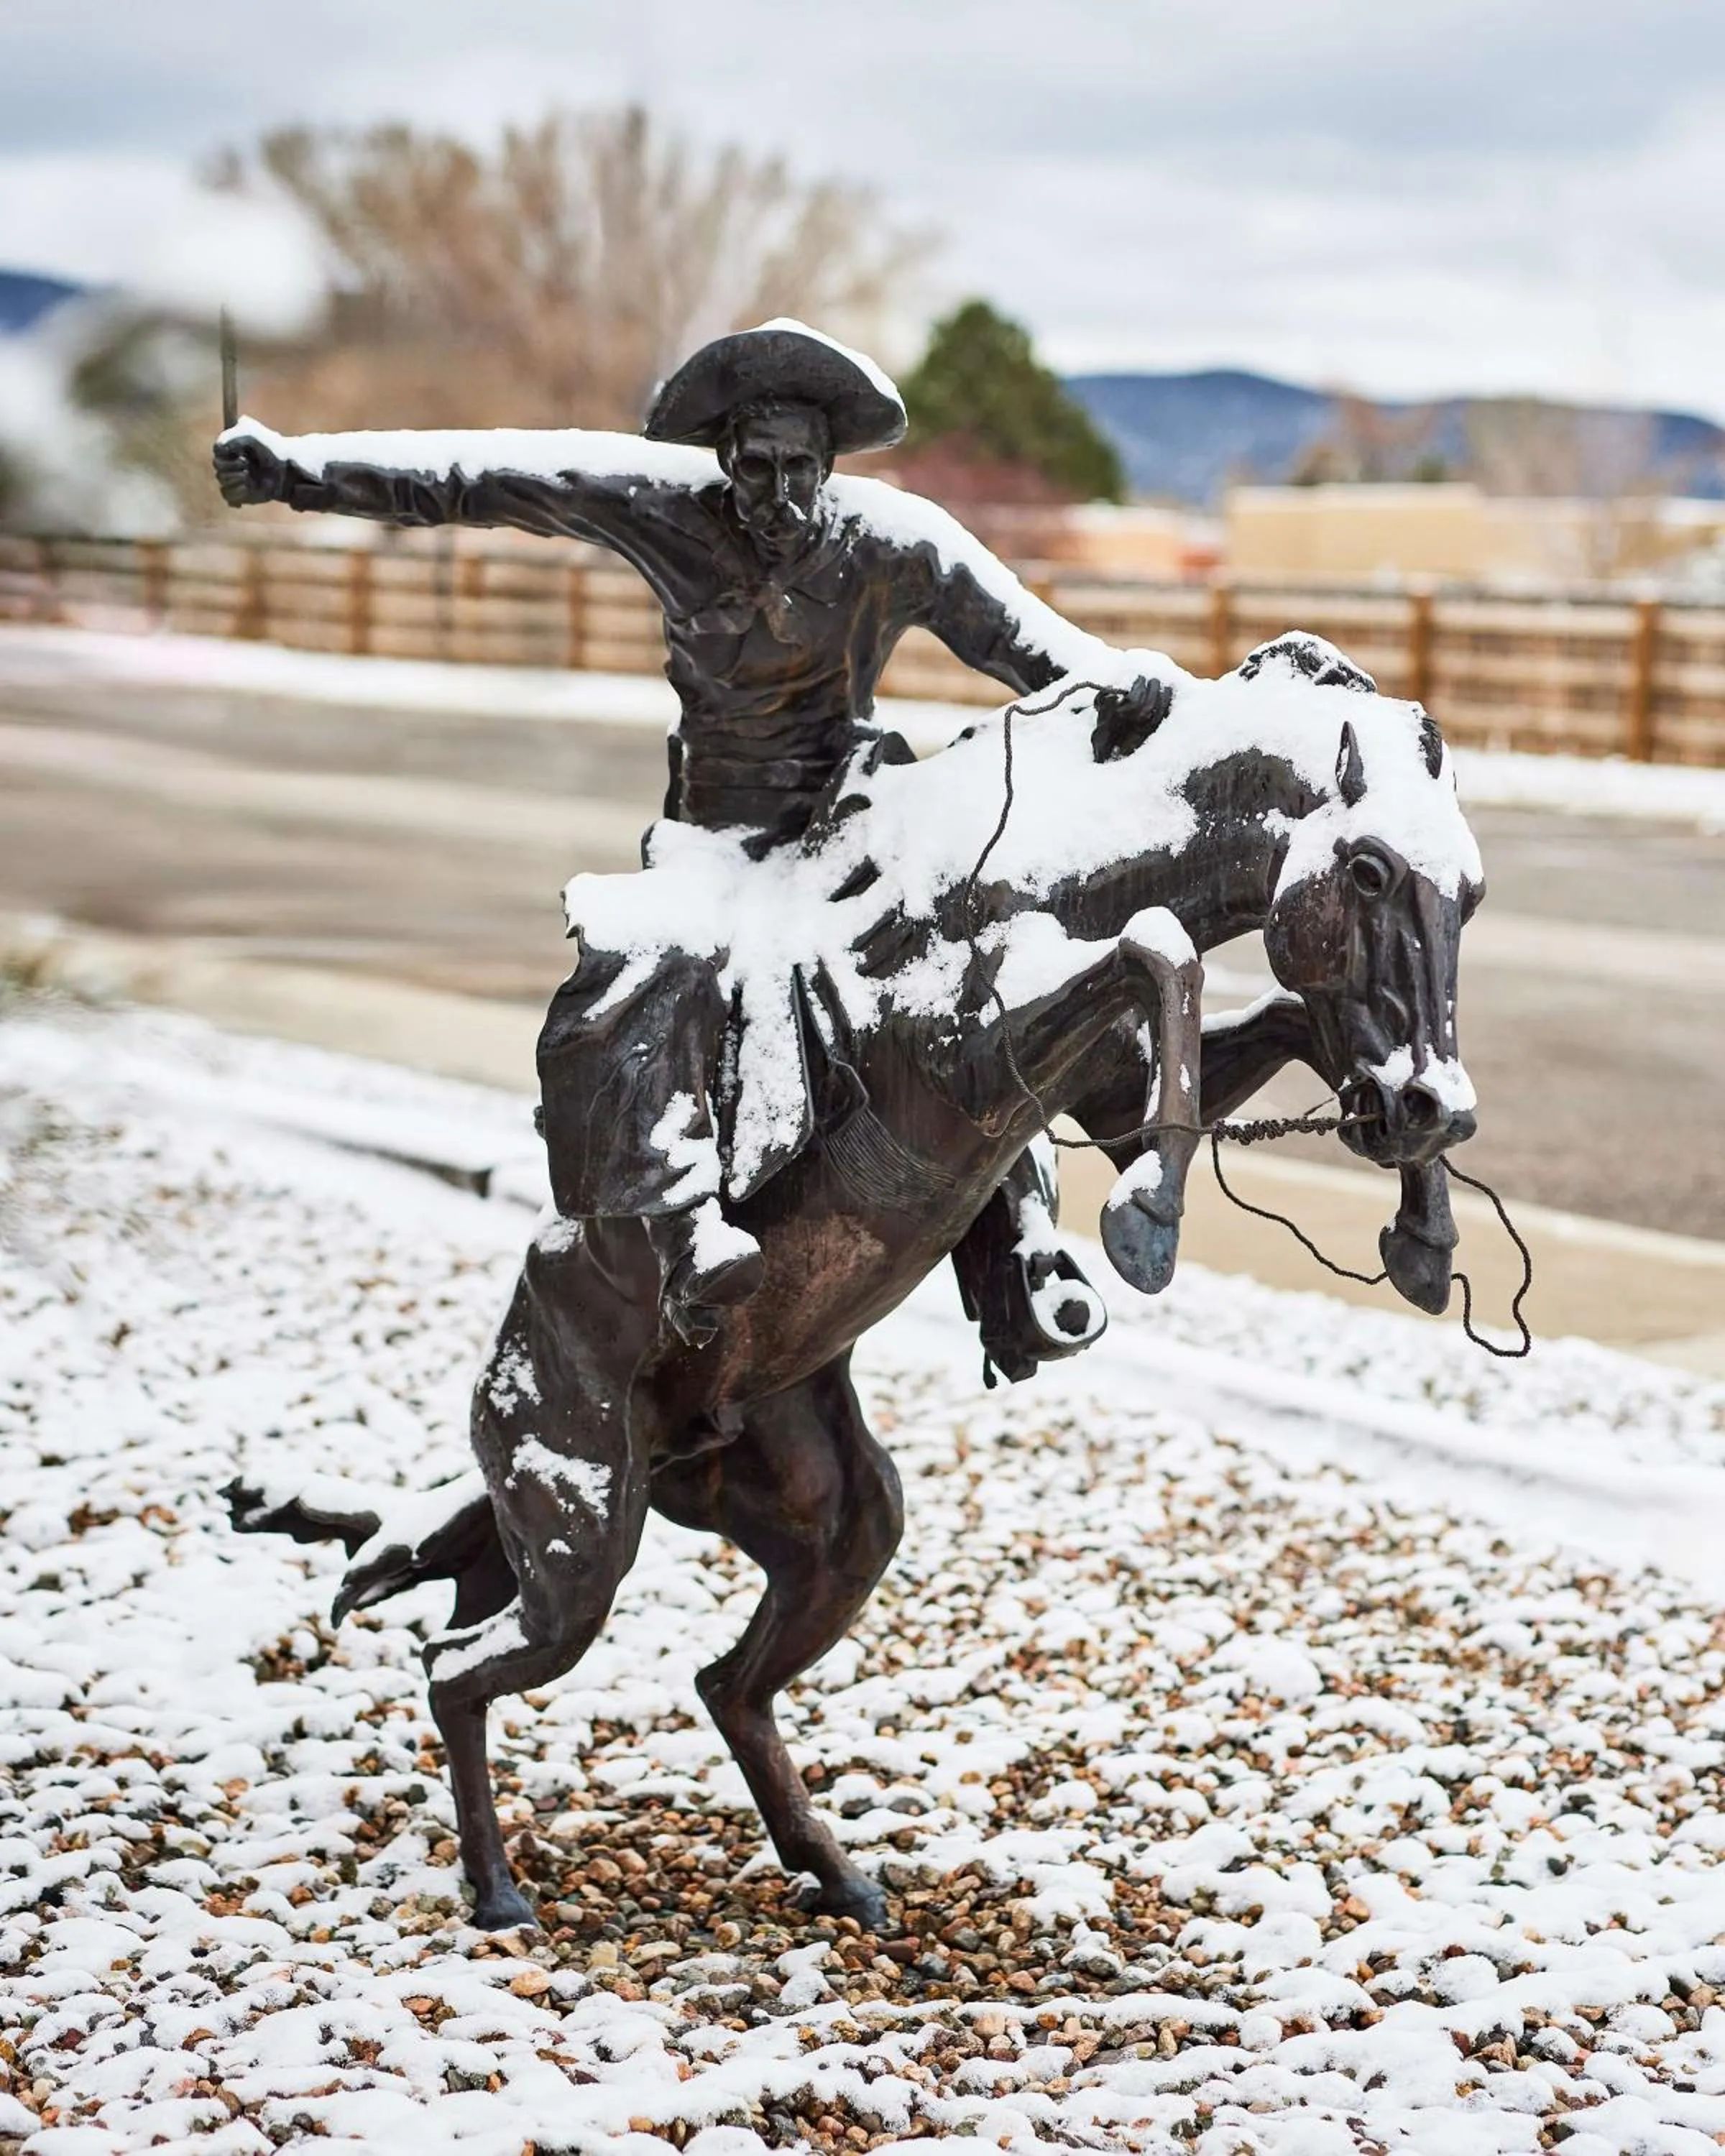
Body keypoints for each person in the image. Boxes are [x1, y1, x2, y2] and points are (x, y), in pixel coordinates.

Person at [213, 318, 1163, 1368]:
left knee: (972, 971)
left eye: (800, 469)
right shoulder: (664, 511)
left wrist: (1141, 695)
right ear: (723, 459)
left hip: (853, 829)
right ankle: (681, 1222)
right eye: (756, 467)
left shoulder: (897, 542)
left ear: (830, 465)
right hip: (715, 836)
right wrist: (296, 473)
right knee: (641, 989)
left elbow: (1036, 649)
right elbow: (482, 476)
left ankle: (1020, 1246)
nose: (779, 493)